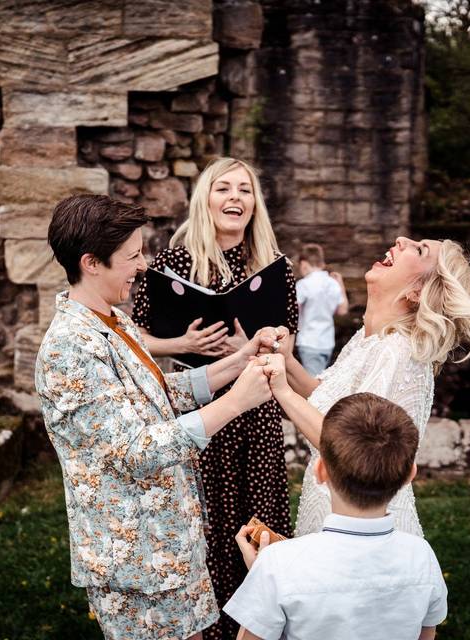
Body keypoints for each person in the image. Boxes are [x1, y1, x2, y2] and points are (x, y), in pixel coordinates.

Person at [35, 194, 275, 640]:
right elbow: (134, 451)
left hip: (169, 544)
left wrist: (238, 362)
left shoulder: (113, 321)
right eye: (132, 256)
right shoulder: (70, 347)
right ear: (91, 263)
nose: (143, 265)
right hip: (137, 563)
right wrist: (235, 402)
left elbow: (160, 396)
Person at [132, 157, 298, 640]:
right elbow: (139, 338)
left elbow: (290, 337)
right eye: (223, 188)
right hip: (198, 407)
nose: (235, 198)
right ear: (205, 199)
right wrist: (185, 344)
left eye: (245, 190)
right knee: (205, 521)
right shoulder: (175, 261)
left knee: (258, 516)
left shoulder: (272, 264)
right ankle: (206, 627)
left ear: (254, 203)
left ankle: (261, 627)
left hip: (258, 409)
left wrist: (261, 340)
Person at [256, 236, 470, 537]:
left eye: (419, 250)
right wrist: (287, 360)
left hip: (361, 523)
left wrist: (282, 391)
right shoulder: (368, 339)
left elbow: (353, 447)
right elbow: (325, 398)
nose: (401, 239)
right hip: (331, 504)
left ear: (417, 291)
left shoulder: (397, 352)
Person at [224, 393, 448, 640]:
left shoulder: (276, 563)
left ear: (320, 471)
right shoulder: (421, 555)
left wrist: (263, 575)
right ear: (410, 475)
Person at [294, 243, 349, 375]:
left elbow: (293, 309)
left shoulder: (304, 284)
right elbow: (342, 310)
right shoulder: (333, 283)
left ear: (304, 264)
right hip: (327, 341)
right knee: (320, 376)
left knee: (313, 383)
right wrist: (341, 284)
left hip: (309, 340)